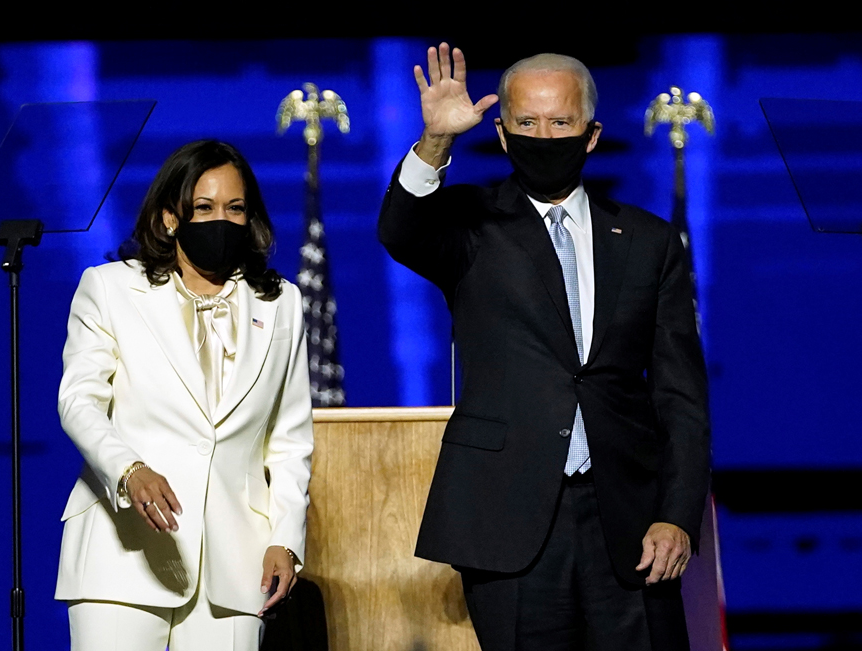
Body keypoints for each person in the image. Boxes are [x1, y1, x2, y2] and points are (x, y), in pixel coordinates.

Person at [378, 44, 710, 651]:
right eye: (527, 123)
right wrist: (435, 144)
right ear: (502, 135)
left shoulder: (647, 240)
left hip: (630, 522)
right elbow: (402, 231)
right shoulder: (470, 223)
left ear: (591, 134)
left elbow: (681, 396)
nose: (543, 135)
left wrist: (677, 514)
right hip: (509, 517)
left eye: (560, 122)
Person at [55, 140, 314, 651]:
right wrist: (129, 469)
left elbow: (289, 440)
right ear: (171, 217)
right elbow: (79, 403)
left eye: (235, 209)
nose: (222, 219)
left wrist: (286, 538)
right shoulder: (109, 289)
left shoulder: (282, 302)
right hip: (122, 554)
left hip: (237, 565)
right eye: (205, 207)